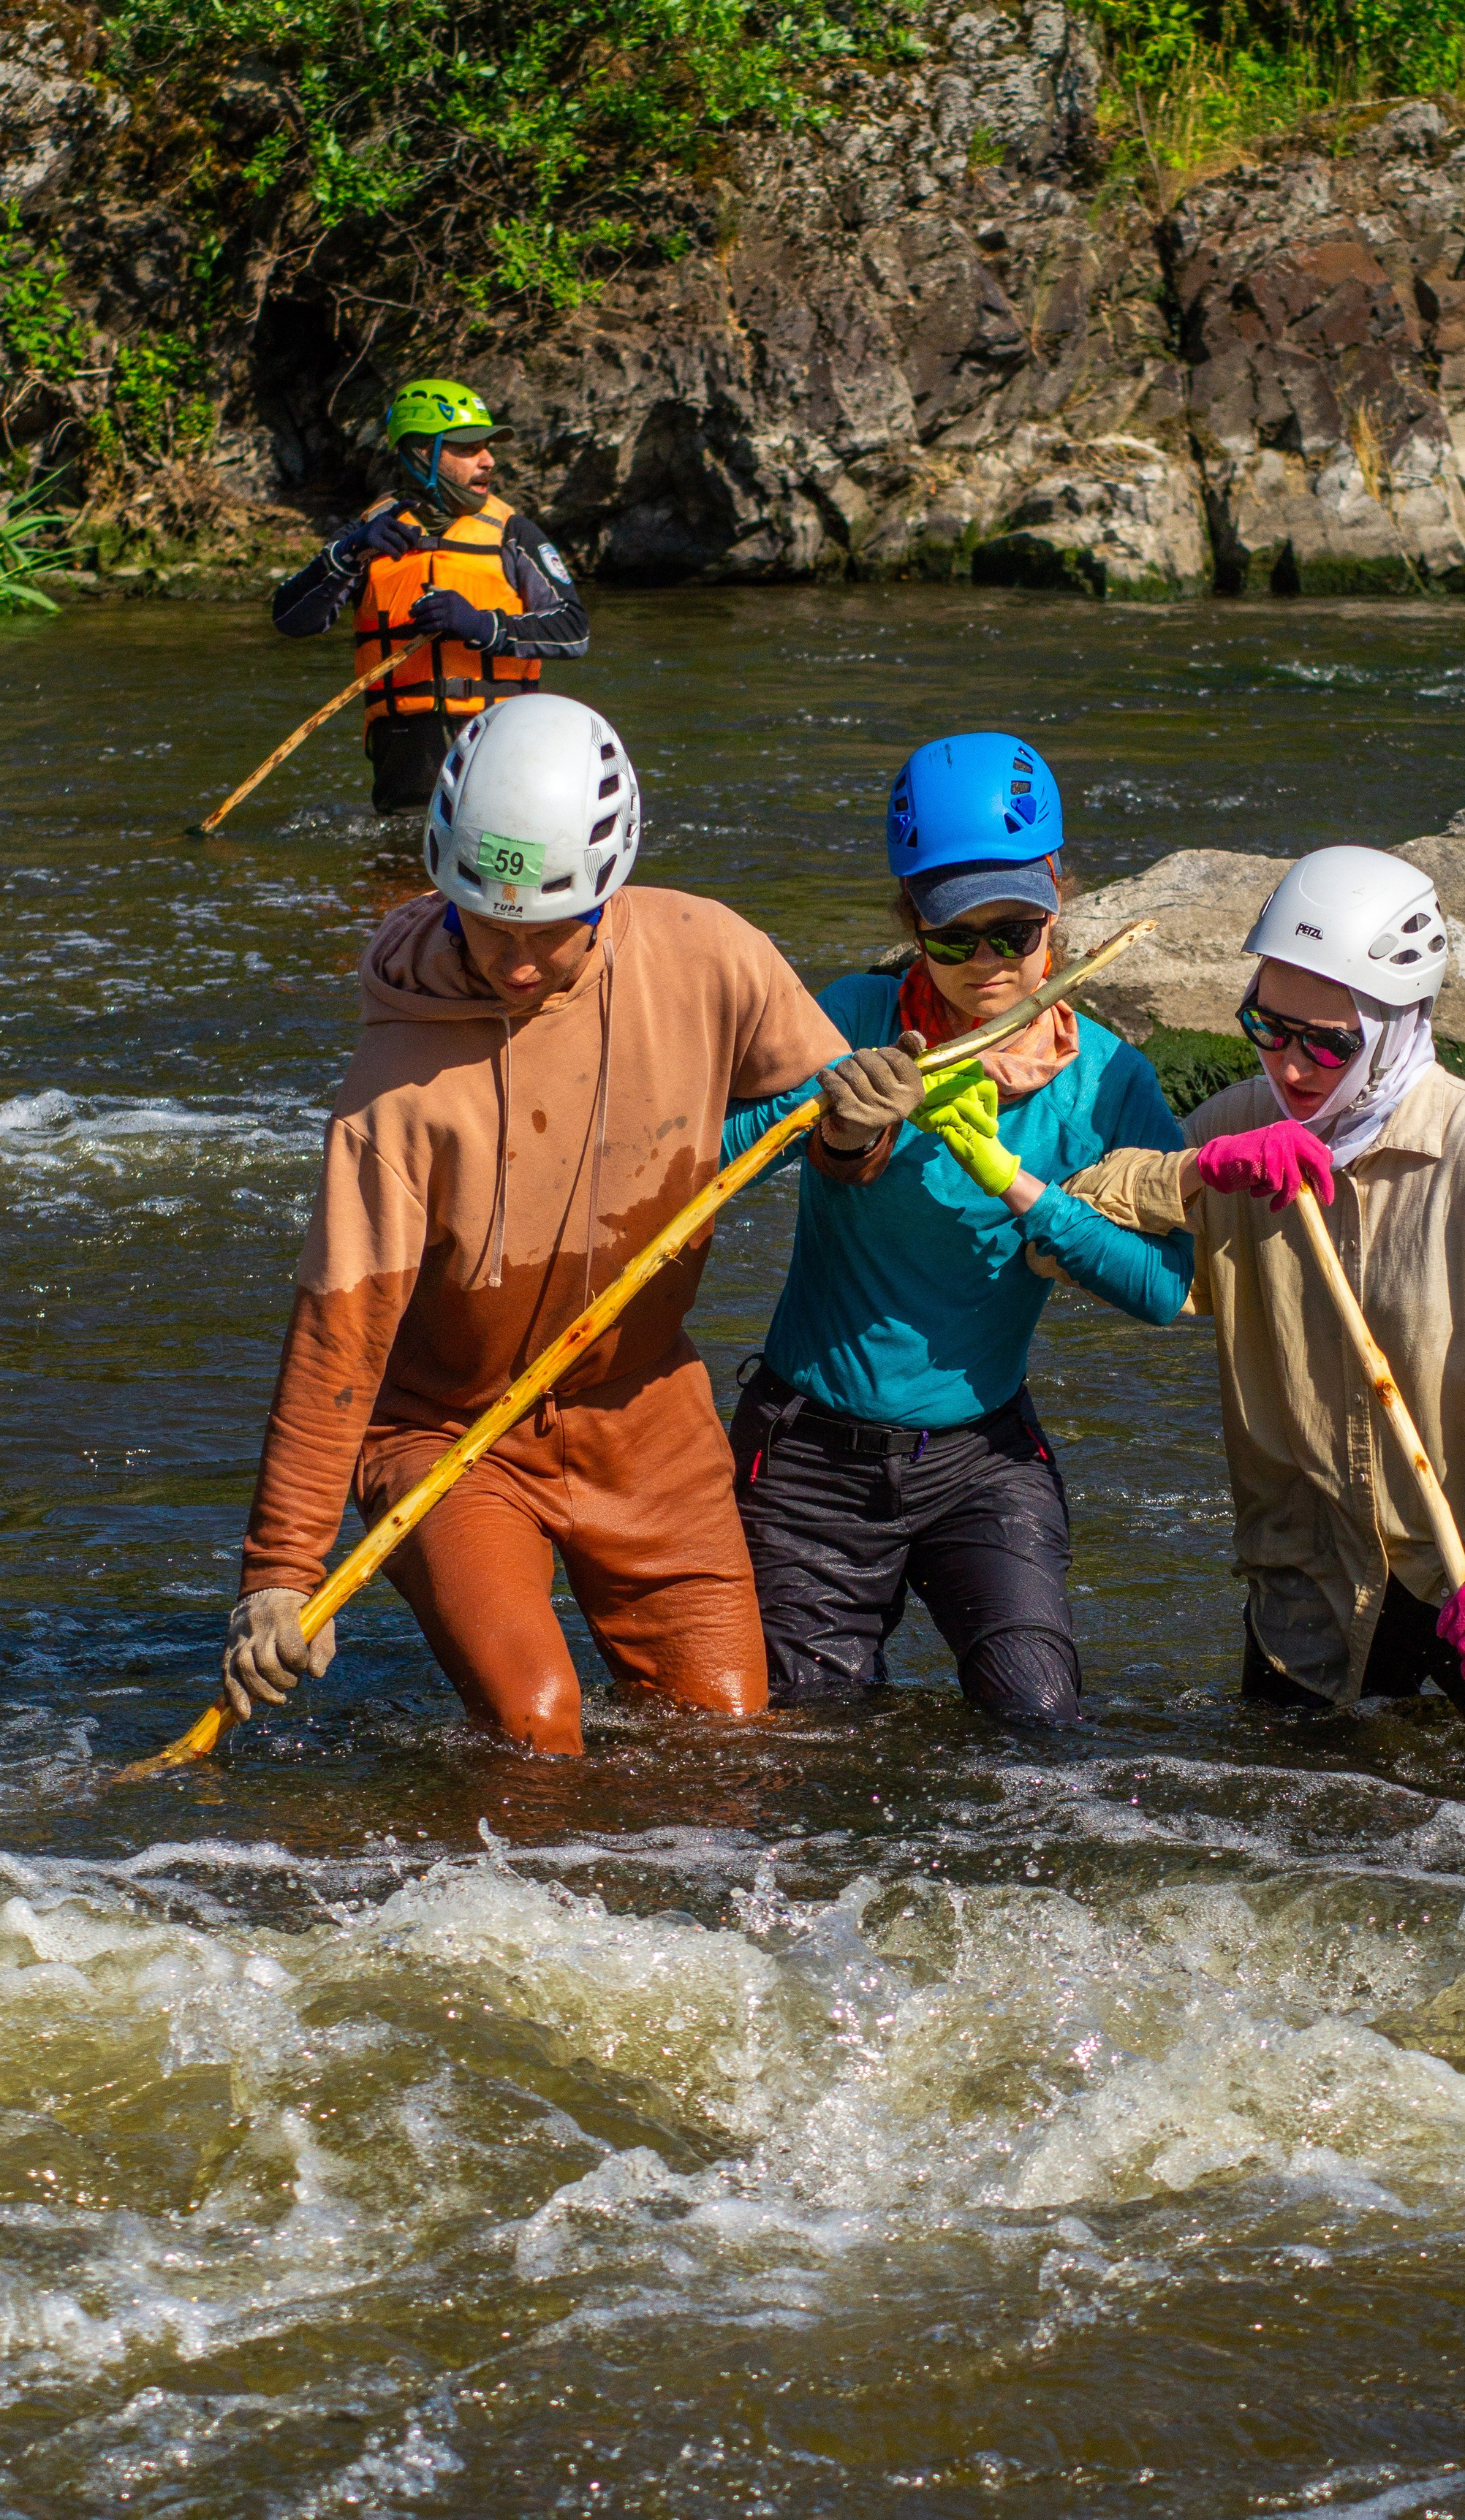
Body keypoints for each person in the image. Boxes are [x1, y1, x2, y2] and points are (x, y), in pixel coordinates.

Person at [217, 693, 930, 1756]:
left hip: (642, 1411)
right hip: (449, 1437)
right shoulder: (389, 1090)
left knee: (732, 1735)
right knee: (536, 1724)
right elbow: (340, 1336)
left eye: (548, 936)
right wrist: (279, 1574)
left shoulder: (710, 955)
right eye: (488, 927)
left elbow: (835, 1141)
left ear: (611, 886)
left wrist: (862, 1129)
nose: (513, 965)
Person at [1056, 846, 1465, 1762]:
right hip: (1315, 1588)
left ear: (1398, 1026)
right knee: (1291, 1831)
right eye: (1268, 1025)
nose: (1290, 1064)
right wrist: (1191, 1171)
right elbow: (1057, 1230)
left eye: (1328, 1042)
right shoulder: (1238, 1129)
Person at [724, 734, 1195, 1728]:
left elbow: (1163, 1290)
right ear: (911, 921)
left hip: (983, 1458)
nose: (986, 963)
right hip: (809, 1462)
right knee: (813, 1740)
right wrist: (836, 1117)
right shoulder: (851, 1016)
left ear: (1057, 896)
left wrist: (1018, 1184)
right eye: (953, 938)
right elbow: (709, 1155)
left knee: (1038, 1717)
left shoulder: (1109, 1080)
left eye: (1013, 931)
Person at [270, 379, 588, 814]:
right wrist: (346, 554)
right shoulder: (369, 533)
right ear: (423, 453)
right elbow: (289, 618)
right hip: (406, 760)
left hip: (500, 747)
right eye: (468, 447)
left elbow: (574, 631)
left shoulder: (514, 534)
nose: (488, 460)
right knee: (398, 878)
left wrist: (482, 624)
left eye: (488, 446)